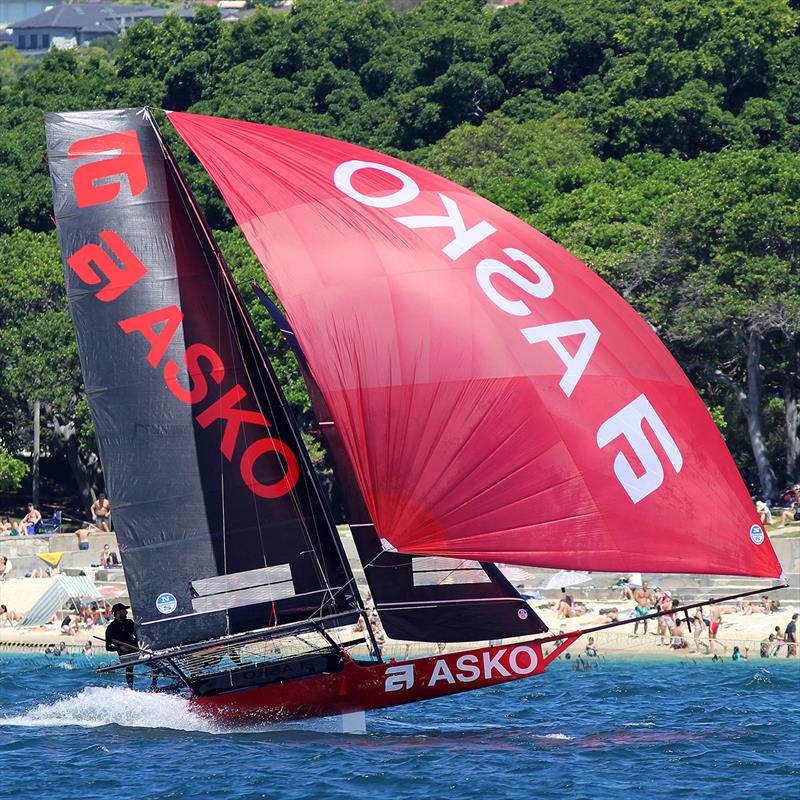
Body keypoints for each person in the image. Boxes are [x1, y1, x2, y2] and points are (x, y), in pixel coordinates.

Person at [105, 603, 140, 688]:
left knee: (156, 664)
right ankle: (130, 687)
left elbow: (139, 635)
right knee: (129, 666)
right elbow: (108, 647)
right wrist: (120, 647)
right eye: (124, 611)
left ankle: (154, 685)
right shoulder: (111, 628)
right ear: (118, 612)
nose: (126, 612)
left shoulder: (130, 622)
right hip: (125, 654)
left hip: (137, 649)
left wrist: (139, 627)